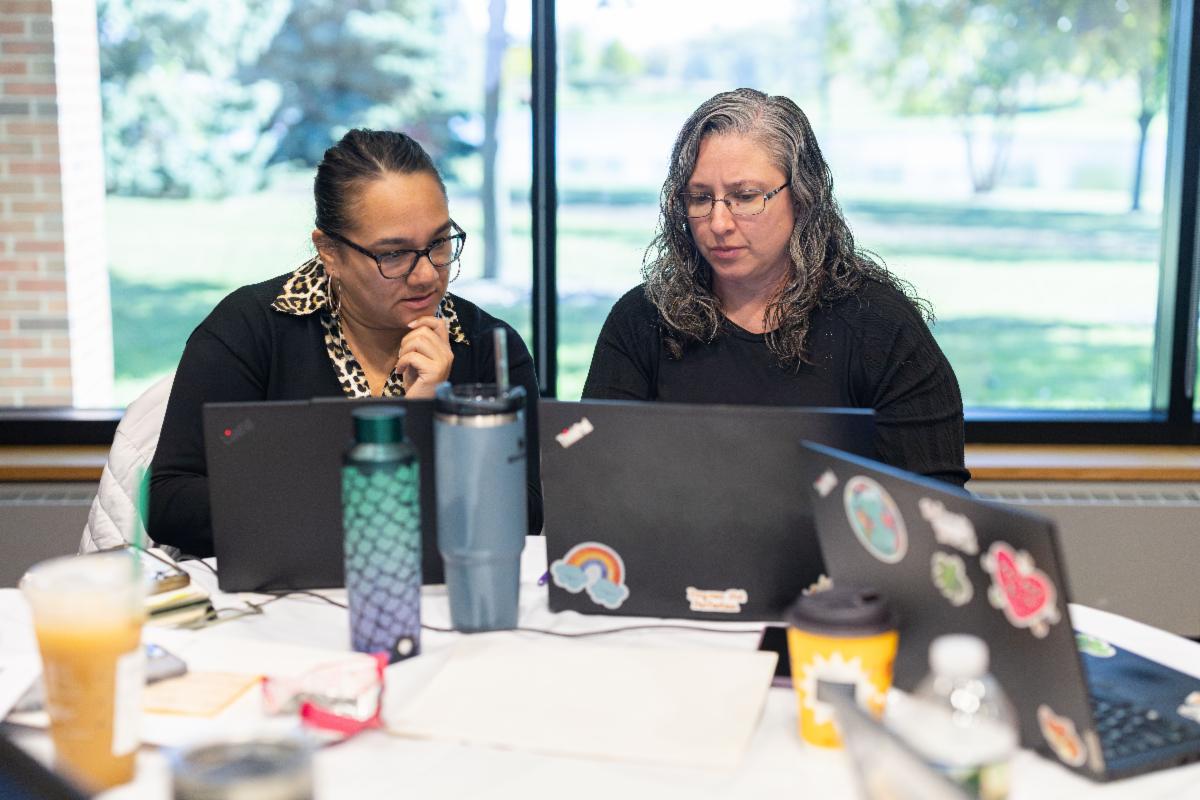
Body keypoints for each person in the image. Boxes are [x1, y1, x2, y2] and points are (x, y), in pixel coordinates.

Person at [149, 129, 542, 557]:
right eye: (393, 254)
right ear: (330, 252)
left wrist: (431, 418)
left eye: (440, 243)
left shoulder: (488, 346)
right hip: (279, 603)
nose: (428, 274)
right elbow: (170, 502)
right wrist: (358, 503)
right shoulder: (252, 329)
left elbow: (525, 512)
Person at [583, 89, 969, 485]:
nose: (718, 223)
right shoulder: (643, 319)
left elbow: (934, 507)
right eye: (700, 198)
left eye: (745, 197)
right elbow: (592, 483)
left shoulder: (880, 327)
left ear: (802, 197)